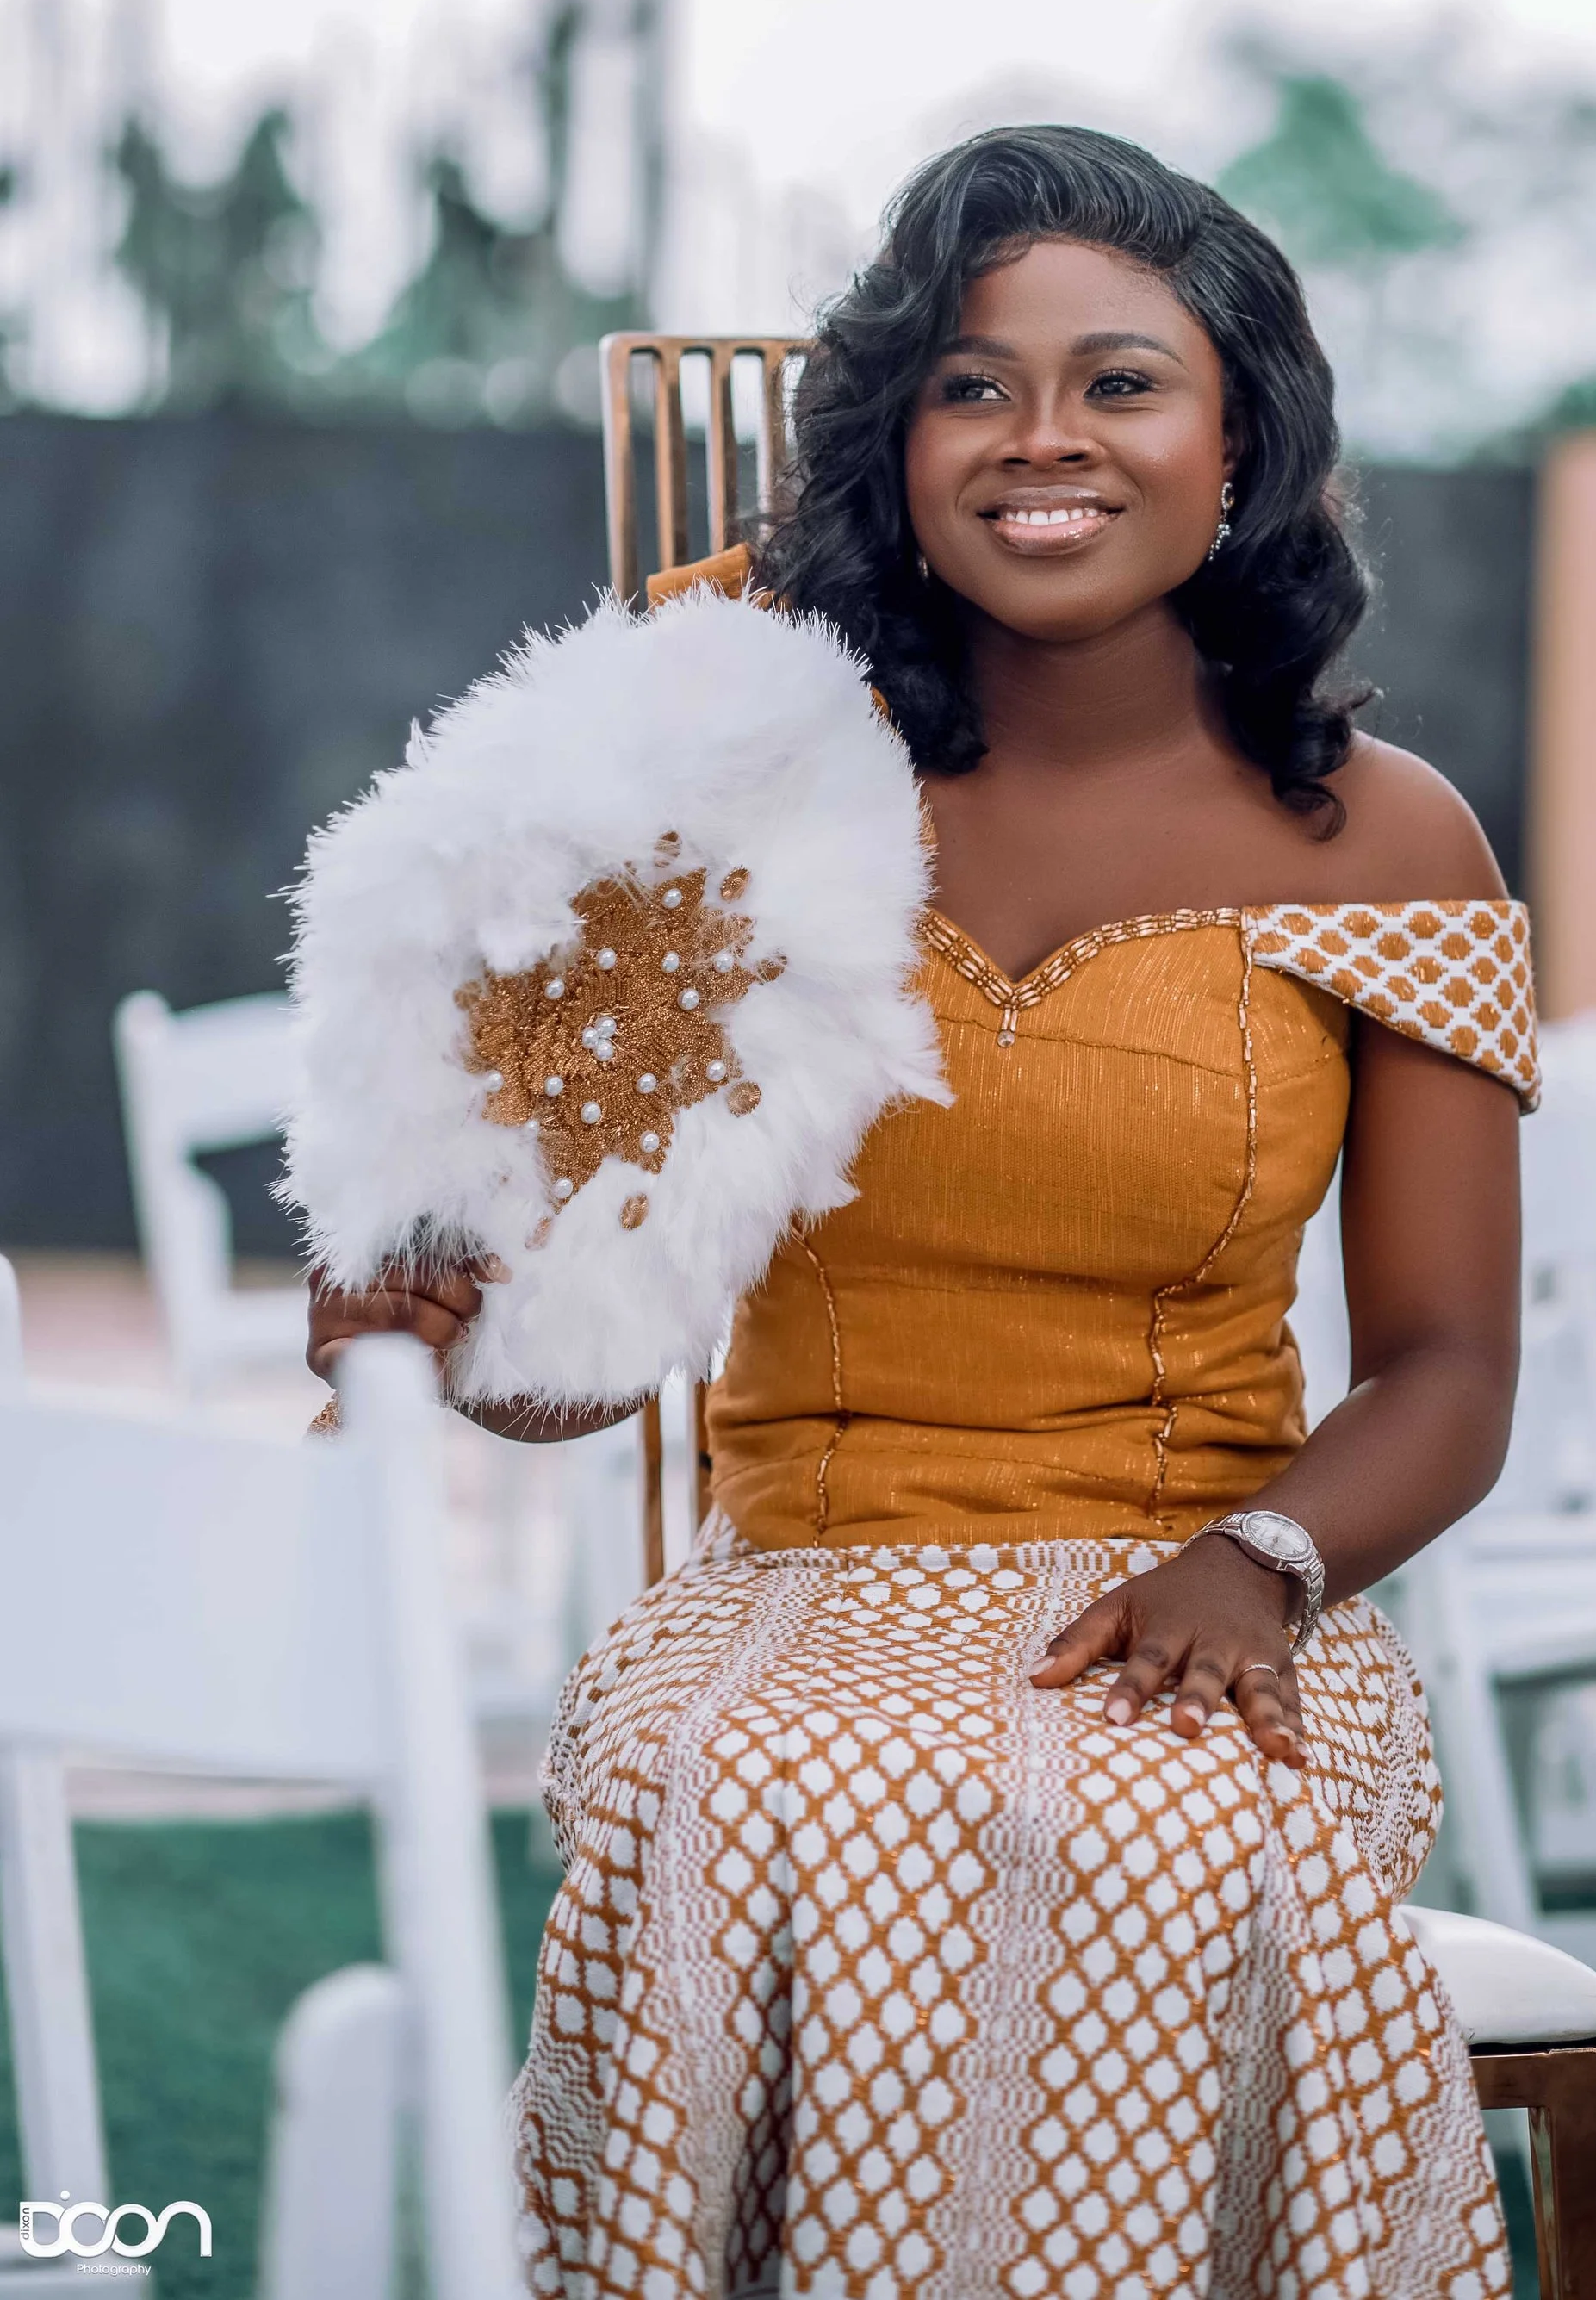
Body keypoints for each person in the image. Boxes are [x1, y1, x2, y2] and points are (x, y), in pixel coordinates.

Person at [307, 125, 1531, 2300]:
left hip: (1212, 1594)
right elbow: (570, 1366)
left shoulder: (1387, 838)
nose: (1042, 438)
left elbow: (1446, 1369)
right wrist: (439, 1306)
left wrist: (1256, 1569)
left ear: (1241, 426)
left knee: (1171, 1813)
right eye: (974, 383)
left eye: (1120, 380)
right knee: (733, 1782)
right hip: (794, 1577)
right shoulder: (734, 777)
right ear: (896, 438)